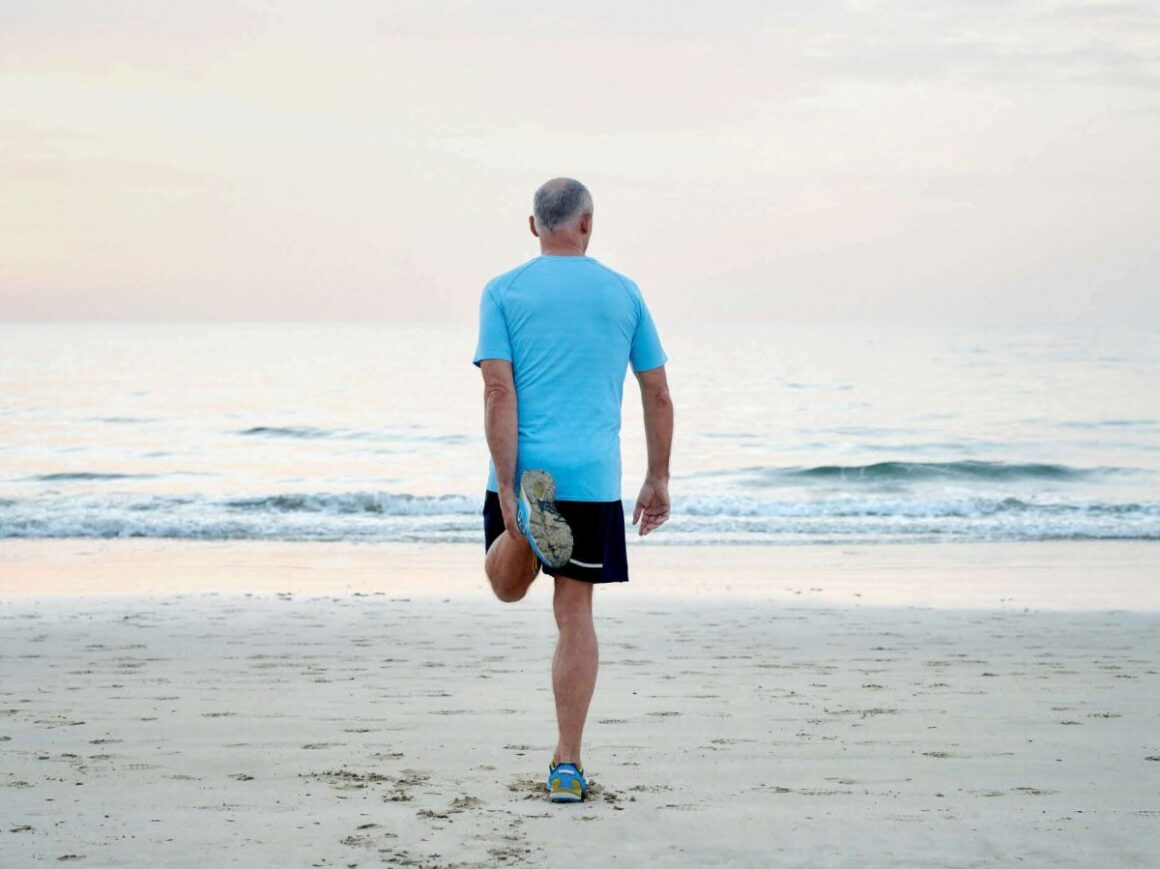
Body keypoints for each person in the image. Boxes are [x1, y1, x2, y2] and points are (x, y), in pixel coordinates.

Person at [473, 177, 674, 803]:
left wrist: (507, 487)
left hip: (529, 470)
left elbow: (499, 391)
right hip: (590, 479)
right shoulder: (624, 293)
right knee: (575, 616)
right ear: (587, 223)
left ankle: (527, 529)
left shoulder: (502, 291)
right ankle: (567, 765)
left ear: (534, 226)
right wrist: (657, 476)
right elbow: (657, 392)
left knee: (506, 588)